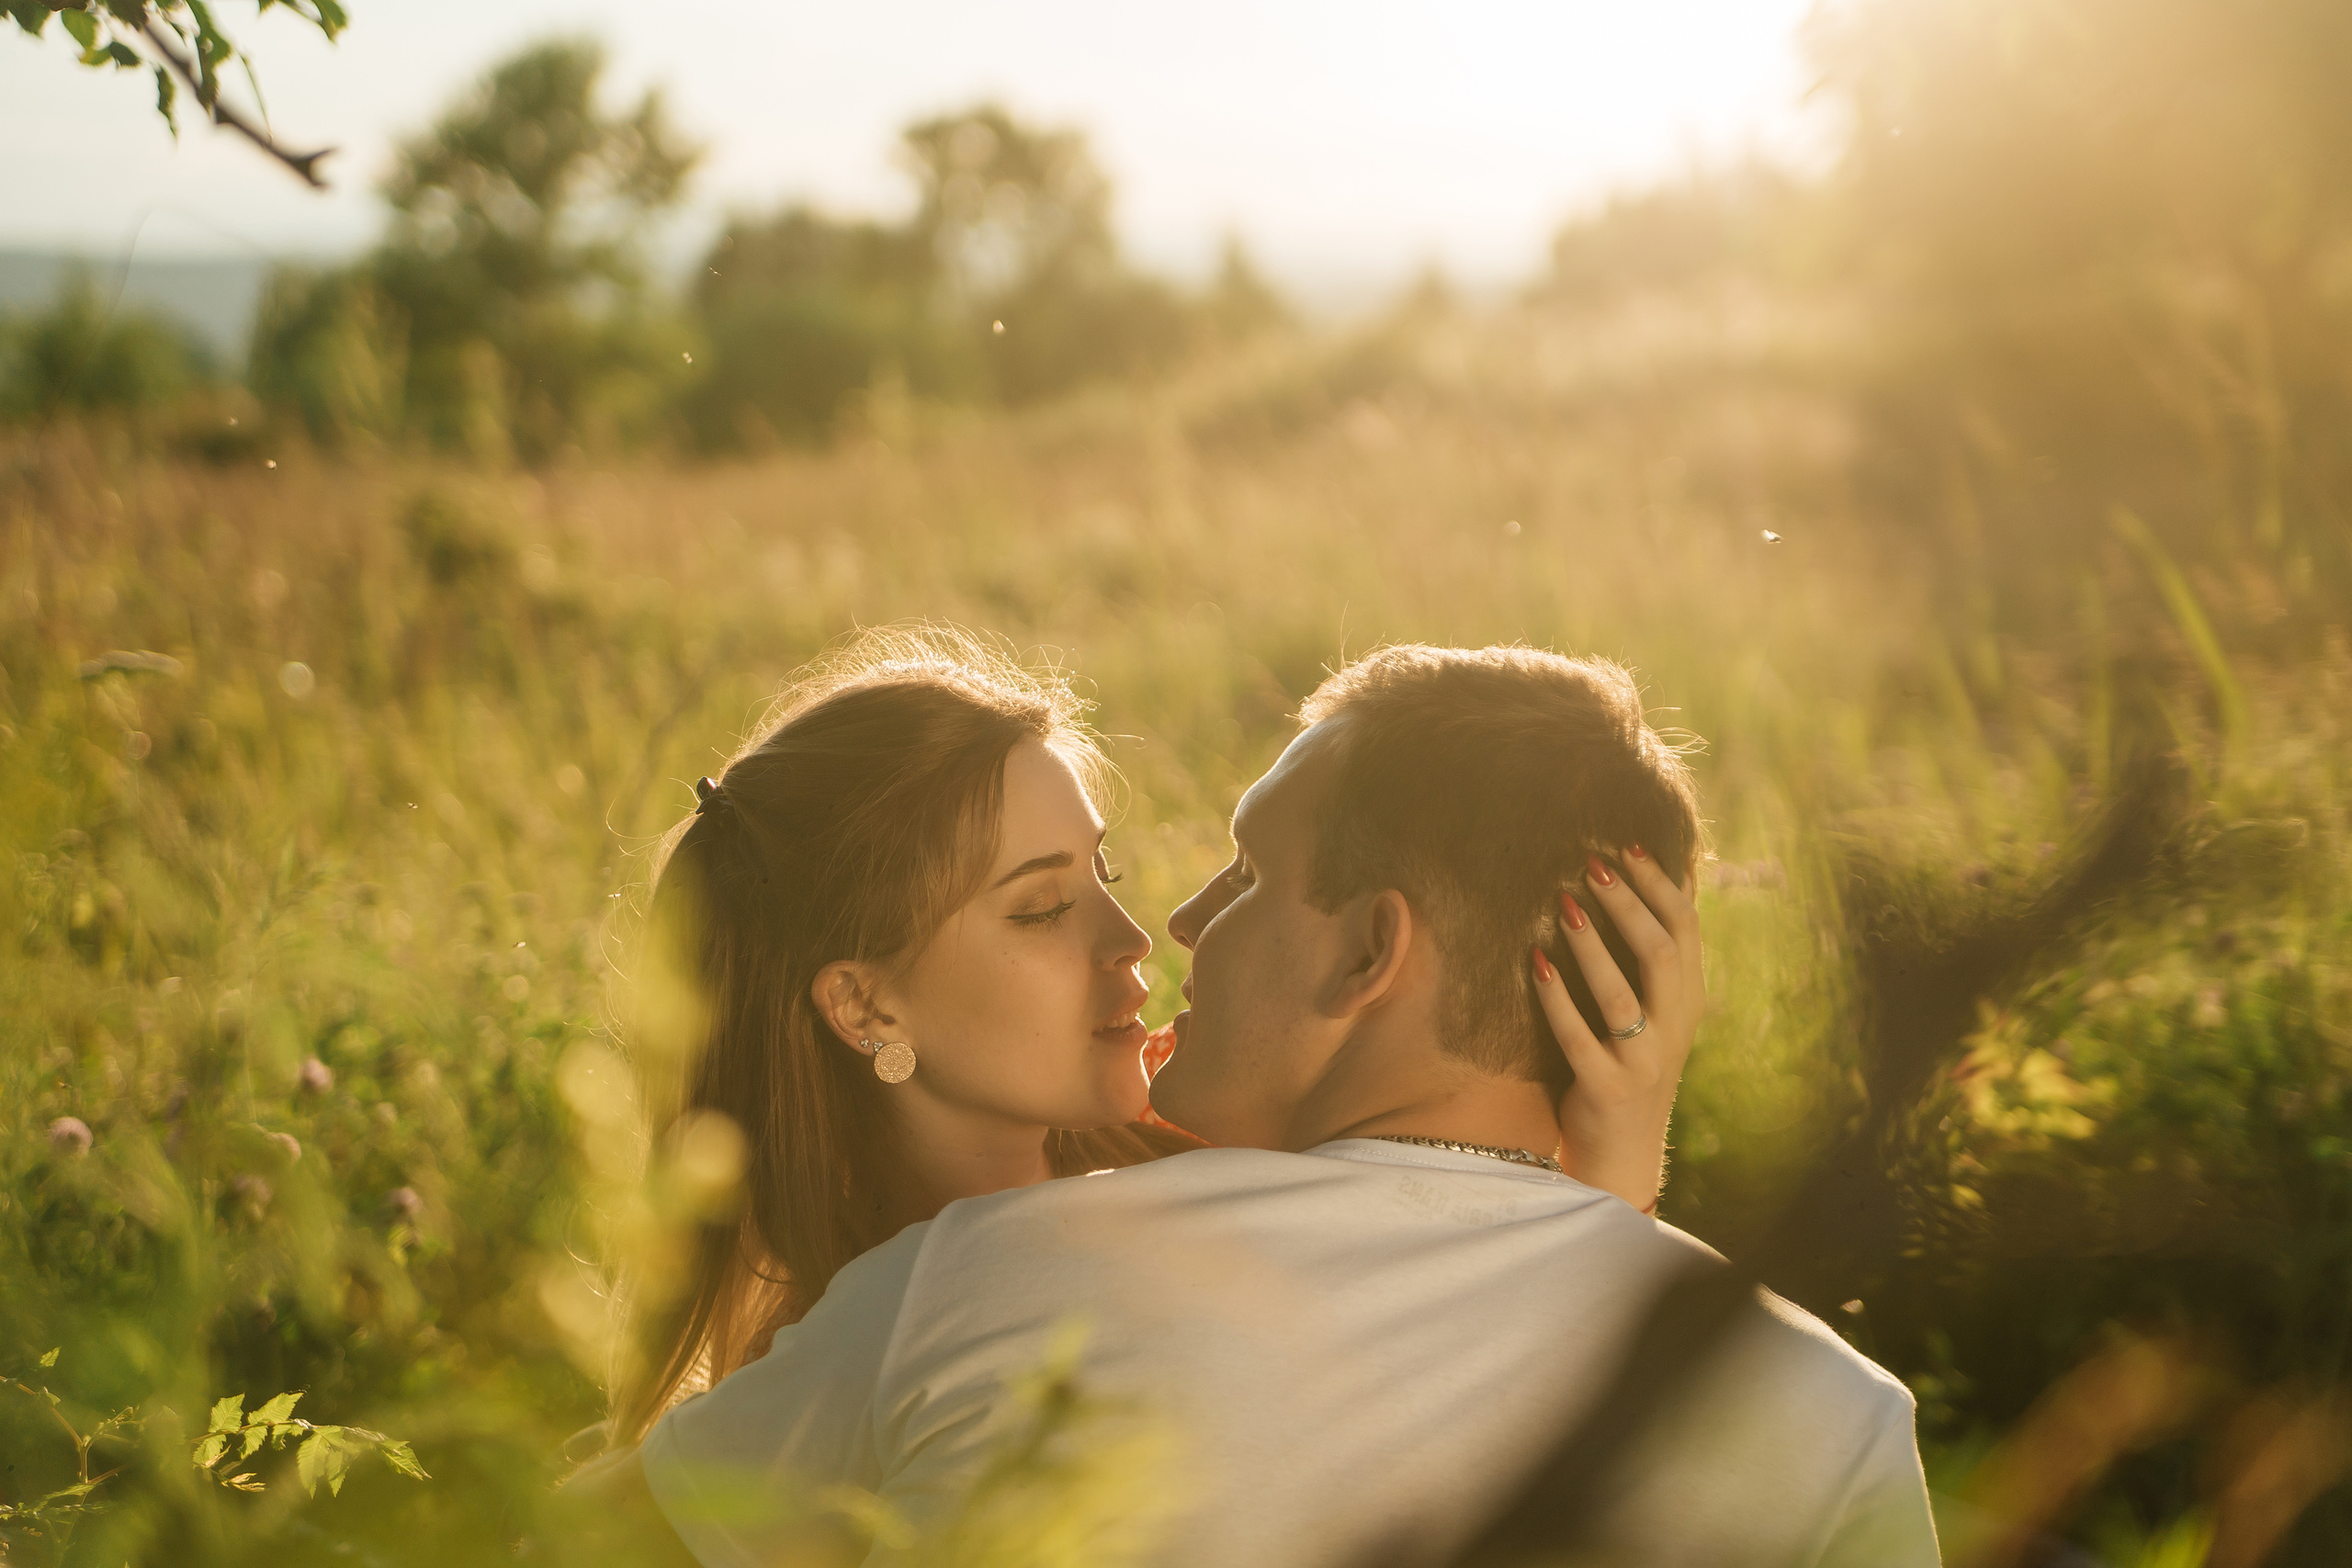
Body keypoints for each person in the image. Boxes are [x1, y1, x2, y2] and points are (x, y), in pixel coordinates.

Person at [623, 641, 1940, 1568]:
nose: (1163, 928)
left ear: (1373, 952)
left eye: (1243, 874)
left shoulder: (982, 1286)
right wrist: (1601, 1203)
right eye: (1042, 903)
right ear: (859, 1005)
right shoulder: (1843, 1416)